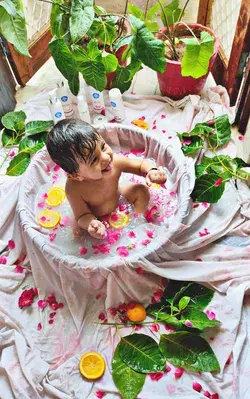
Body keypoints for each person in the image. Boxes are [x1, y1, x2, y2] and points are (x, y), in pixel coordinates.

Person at [46, 119, 167, 239]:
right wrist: (91, 224)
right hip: (94, 215)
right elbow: (82, 215)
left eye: (103, 147)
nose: (105, 157)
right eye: (94, 160)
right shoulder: (73, 189)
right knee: (78, 232)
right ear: (76, 175)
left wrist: (152, 171)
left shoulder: (116, 162)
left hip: (118, 198)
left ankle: (139, 222)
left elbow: (140, 165)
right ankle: (94, 230)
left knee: (140, 190)